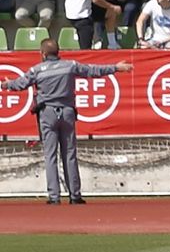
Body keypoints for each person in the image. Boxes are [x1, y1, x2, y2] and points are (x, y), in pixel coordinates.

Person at [1, 40, 132, 204]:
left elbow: (20, 84)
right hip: (67, 111)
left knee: (50, 156)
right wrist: (115, 68)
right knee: (69, 154)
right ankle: (75, 195)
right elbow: (92, 71)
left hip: (47, 112)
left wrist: (6, 84)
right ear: (58, 52)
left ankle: (54, 197)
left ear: (42, 54)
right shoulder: (70, 65)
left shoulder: (37, 70)